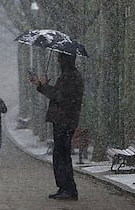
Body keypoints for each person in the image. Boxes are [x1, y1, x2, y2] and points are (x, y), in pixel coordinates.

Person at [30, 53, 84, 200]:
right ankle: (64, 187)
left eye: (60, 59)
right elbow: (59, 94)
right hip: (65, 120)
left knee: (62, 154)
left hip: (64, 121)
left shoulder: (70, 77)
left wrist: (44, 85)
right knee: (61, 154)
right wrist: (41, 85)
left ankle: (68, 189)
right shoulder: (70, 75)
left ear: (65, 60)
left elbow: (59, 96)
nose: (58, 61)